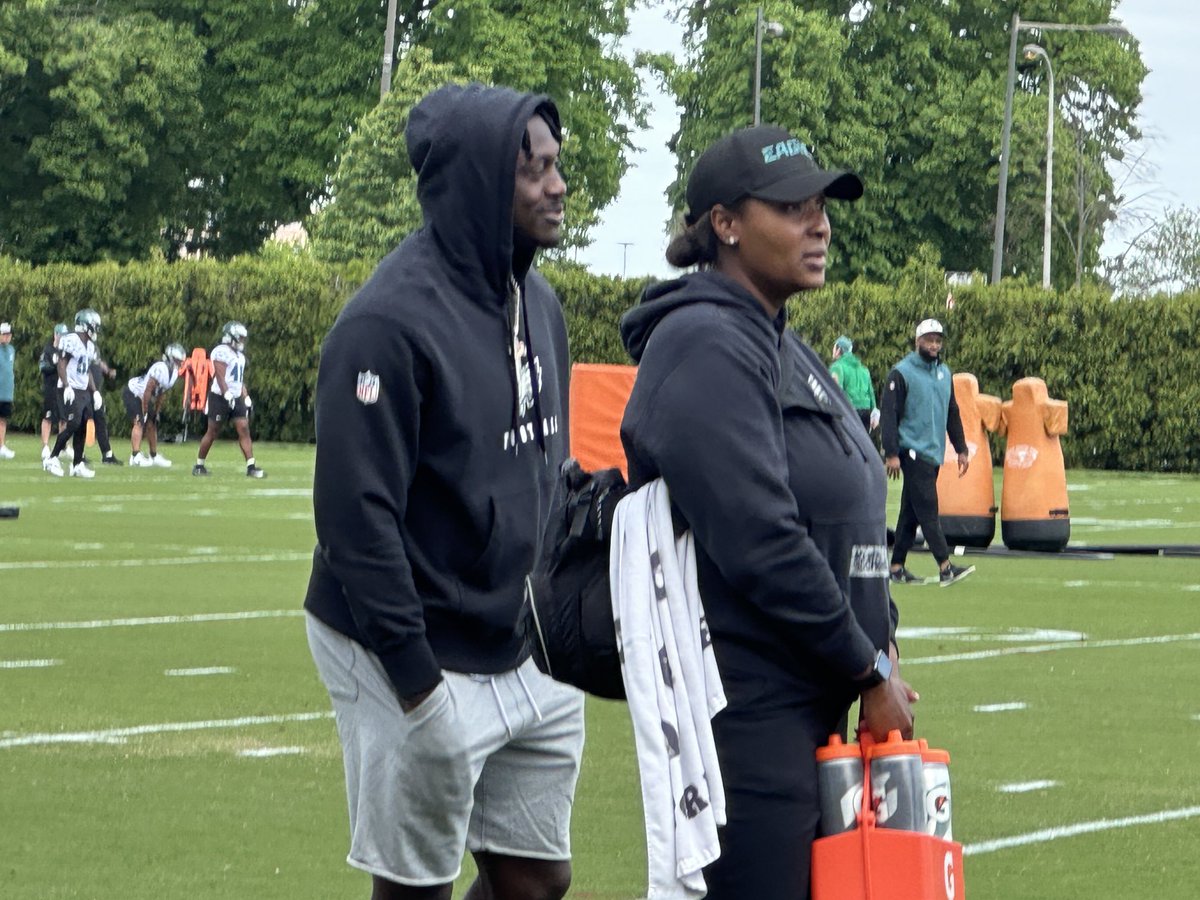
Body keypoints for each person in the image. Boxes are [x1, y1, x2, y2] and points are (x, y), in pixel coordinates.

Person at [617, 125, 916, 900]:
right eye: (792, 208)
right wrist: (867, 663)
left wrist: (880, 649)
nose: (818, 225)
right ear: (726, 224)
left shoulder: (779, 339)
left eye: (821, 206)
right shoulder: (703, 344)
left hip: (808, 712)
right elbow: (761, 540)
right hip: (744, 725)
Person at [303, 83, 582, 900]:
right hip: (406, 641)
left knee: (536, 878)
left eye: (556, 166)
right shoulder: (384, 324)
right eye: (531, 171)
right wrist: (417, 683)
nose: (556, 186)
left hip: (517, 639)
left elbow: (541, 470)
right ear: (477, 186)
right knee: (416, 885)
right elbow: (356, 520)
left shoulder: (540, 302)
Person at [880, 318, 975, 587]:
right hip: (911, 452)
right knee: (928, 511)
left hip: (932, 452)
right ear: (917, 341)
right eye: (928, 340)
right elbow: (890, 414)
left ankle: (896, 567)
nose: (933, 345)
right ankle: (946, 567)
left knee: (909, 514)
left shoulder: (944, 373)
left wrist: (961, 449)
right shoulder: (901, 372)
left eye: (937, 340)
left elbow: (952, 411)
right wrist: (891, 453)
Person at [192, 322, 265, 478]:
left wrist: (246, 397)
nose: (242, 341)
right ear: (231, 337)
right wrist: (226, 394)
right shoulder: (221, 351)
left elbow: (239, 380)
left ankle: (251, 466)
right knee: (212, 431)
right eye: (240, 338)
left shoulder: (240, 356)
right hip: (219, 397)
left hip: (236, 396)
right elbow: (220, 375)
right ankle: (199, 465)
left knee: (244, 428)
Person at [43, 309, 103, 478]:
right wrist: (67, 385)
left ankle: (77, 464)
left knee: (82, 425)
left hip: (83, 389)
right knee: (73, 423)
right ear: (85, 326)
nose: (96, 329)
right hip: (69, 388)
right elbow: (61, 364)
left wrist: (95, 391)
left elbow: (87, 370)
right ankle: (52, 457)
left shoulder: (90, 345)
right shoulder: (71, 340)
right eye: (94, 326)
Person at [124, 343, 187, 467]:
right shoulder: (160, 368)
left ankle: (153, 456)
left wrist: (156, 412)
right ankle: (135, 456)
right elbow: (148, 390)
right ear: (170, 358)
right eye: (177, 360)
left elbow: (161, 394)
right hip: (134, 392)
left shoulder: (173, 373)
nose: (179, 363)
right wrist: (145, 409)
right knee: (139, 421)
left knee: (152, 424)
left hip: (144, 396)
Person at [829, 334, 880, 434]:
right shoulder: (863, 369)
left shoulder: (837, 367)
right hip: (866, 412)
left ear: (839, 350)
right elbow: (871, 393)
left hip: (849, 412)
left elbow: (835, 391)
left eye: (834, 347)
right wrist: (874, 411)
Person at [39, 323, 68, 460]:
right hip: (51, 388)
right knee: (48, 417)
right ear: (55, 335)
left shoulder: (66, 351)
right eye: (61, 336)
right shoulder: (48, 350)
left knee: (64, 419)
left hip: (63, 389)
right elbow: (43, 367)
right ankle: (45, 446)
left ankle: (62, 446)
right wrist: (56, 367)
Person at [88, 356, 124, 466]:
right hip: (84, 391)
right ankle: (65, 451)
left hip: (96, 392)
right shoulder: (81, 345)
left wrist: (107, 370)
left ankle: (107, 454)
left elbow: (99, 361)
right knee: (78, 423)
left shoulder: (93, 347)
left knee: (101, 422)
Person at [0, 322, 14, 459]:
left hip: (6, 392)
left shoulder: (11, 350)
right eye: (4, 334)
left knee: (3, 420)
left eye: (8, 334)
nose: (6, 337)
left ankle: (2, 446)